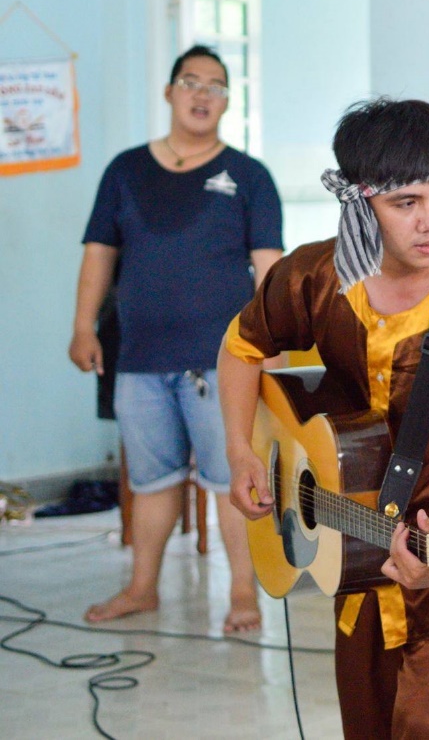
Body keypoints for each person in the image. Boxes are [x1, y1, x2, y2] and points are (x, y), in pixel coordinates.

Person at [218, 97, 429, 739]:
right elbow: (241, 346)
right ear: (359, 204)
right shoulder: (314, 276)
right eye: (406, 202)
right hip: (353, 557)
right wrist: (241, 451)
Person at [69, 44, 282, 634]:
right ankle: (142, 588)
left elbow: (270, 268)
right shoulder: (125, 171)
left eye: (215, 85)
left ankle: (243, 592)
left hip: (225, 364)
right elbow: (99, 255)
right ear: (169, 92)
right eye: (191, 81)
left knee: (230, 483)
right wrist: (84, 326)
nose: (202, 93)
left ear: (226, 101)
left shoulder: (248, 175)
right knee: (153, 481)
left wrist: (273, 341)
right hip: (138, 358)